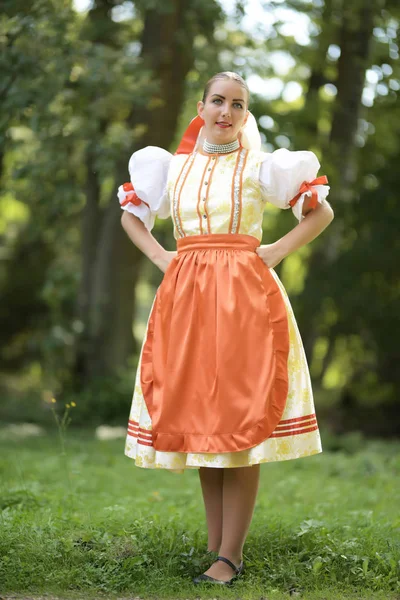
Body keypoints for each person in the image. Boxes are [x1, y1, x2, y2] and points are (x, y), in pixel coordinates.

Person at [118, 71, 334, 586]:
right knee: (205, 417)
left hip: (244, 299)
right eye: (218, 101)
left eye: (237, 105)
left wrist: (275, 252)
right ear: (201, 106)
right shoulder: (174, 168)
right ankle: (216, 545)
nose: (226, 112)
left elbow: (319, 211)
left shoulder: (261, 167)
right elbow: (131, 216)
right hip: (186, 297)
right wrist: (164, 259)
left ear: (245, 113)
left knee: (239, 416)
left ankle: (231, 555)